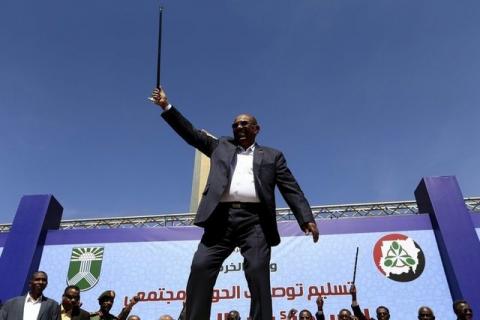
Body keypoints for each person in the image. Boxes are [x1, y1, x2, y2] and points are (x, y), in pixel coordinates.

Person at [151, 87, 319, 320]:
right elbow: (190, 133)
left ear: (256, 129)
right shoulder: (220, 145)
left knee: (258, 271)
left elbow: (290, 187)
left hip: (255, 222)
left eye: (244, 123)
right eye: (235, 124)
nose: (238, 127)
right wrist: (166, 107)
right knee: (200, 267)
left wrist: (306, 218)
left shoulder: (273, 156)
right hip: (221, 219)